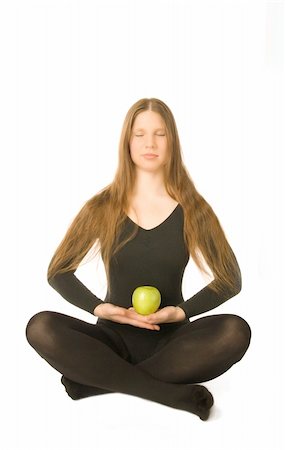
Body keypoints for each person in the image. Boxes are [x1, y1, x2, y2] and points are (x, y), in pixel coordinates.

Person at [25, 98, 251, 421]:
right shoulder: (101, 207)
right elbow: (58, 272)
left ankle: (98, 382)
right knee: (40, 327)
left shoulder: (194, 209)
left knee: (236, 331)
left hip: (174, 343)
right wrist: (99, 308)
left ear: (172, 141)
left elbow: (231, 279)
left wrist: (181, 312)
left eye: (160, 134)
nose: (150, 143)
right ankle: (166, 393)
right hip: (110, 339)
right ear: (127, 142)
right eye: (139, 134)